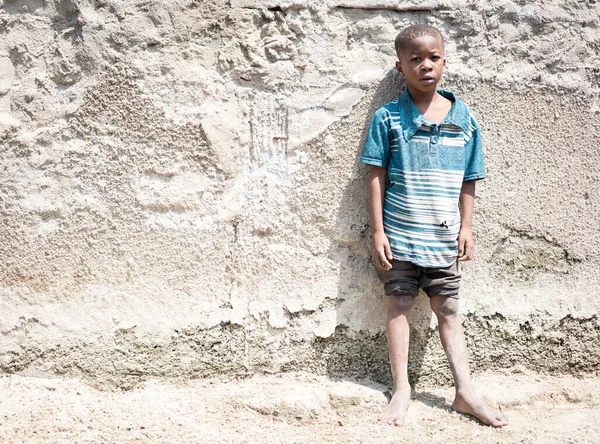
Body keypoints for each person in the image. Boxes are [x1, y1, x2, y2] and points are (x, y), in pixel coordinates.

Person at [359, 24, 508, 428]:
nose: (425, 65)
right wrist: (378, 231)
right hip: (401, 234)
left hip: (443, 235)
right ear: (399, 67)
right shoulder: (388, 118)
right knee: (400, 305)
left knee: (449, 310)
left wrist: (467, 226)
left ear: (444, 60)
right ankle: (402, 389)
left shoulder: (464, 119)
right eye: (415, 59)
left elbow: (469, 177)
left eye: (433, 57)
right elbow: (374, 174)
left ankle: (465, 392)